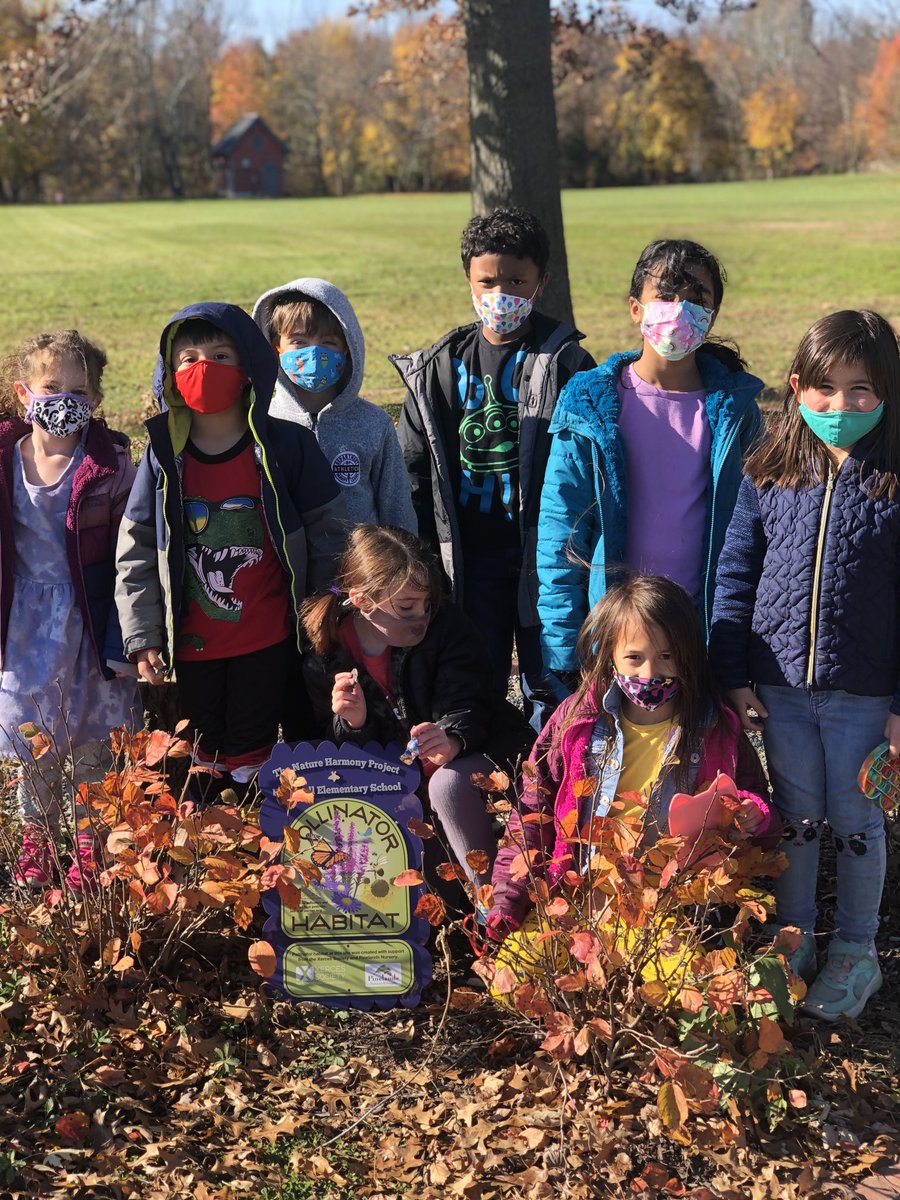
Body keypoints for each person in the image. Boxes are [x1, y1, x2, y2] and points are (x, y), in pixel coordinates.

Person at [711, 309, 900, 1022]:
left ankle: (857, 952)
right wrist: (732, 672)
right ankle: (793, 940)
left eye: (861, 389)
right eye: (825, 388)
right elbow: (735, 574)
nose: (842, 405)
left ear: (887, 393)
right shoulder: (771, 472)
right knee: (795, 819)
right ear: (796, 387)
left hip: (864, 696)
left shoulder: (893, 481)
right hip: (780, 690)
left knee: (856, 822)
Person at [115, 302, 344, 796]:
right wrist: (142, 635)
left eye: (221, 355)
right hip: (190, 647)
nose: (204, 368)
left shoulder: (286, 446)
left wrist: (325, 610)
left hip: (267, 641)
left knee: (252, 753)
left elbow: (331, 534)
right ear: (170, 375)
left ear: (249, 370)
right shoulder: (160, 455)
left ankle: (253, 854)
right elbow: (134, 550)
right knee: (199, 758)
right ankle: (206, 857)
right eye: (188, 358)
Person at [393, 206, 595, 729]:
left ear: (541, 282)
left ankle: (543, 782)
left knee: (550, 677)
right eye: (487, 281)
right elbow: (413, 469)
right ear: (468, 281)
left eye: (516, 280)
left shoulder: (566, 363)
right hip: (469, 556)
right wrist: (420, 556)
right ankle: (481, 774)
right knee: (471, 671)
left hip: (543, 558)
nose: (500, 293)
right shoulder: (440, 365)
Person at [488, 574, 777, 937]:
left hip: (672, 900)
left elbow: (757, 805)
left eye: (666, 657)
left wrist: (752, 814)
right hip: (583, 892)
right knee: (515, 979)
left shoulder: (716, 727)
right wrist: (508, 900)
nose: (650, 673)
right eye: (634, 658)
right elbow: (532, 809)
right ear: (610, 656)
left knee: (681, 989)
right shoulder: (576, 719)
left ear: (688, 655)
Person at [537, 239, 764, 689]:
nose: (679, 310)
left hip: (701, 642)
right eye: (666, 295)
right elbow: (560, 532)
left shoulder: (737, 412)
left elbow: (757, 534)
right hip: (616, 645)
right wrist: (566, 647)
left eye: (696, 299)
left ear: (713, 317)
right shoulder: (589, 405)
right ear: (635, 308)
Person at [301, 524, 533, 896]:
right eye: (407, 607)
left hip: (481, 753)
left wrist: (454, 738)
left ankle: (493, 904)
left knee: (446, 783)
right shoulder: (327, 657)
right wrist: (353, 723)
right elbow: (332, 753)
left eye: (426, 603)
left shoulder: (447, 627)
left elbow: (473, 698)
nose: (421, 616)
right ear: (361, 600)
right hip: (399, 782)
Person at [0, 330, 139, 889]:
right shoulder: (4, 462)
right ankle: (36, 842)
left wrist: (133, 636)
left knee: (91, 742)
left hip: (90, 620)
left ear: (96, 401)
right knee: (33, 745)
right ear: (23, 392)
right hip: (24, 627)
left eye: (78, 390)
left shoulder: (111, 464)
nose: (64, 399)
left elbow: (135, 552)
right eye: (51, 386)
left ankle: (89, 848)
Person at [252, 276, 416, 532]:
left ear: (347, 349)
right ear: (276, 349)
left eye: (328, 342)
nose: (314, 353)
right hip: (292, 567)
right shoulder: (263, 422)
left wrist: (402, 565)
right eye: (299, 341)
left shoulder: (374, 423)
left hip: (363, 567)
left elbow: (396, 506)